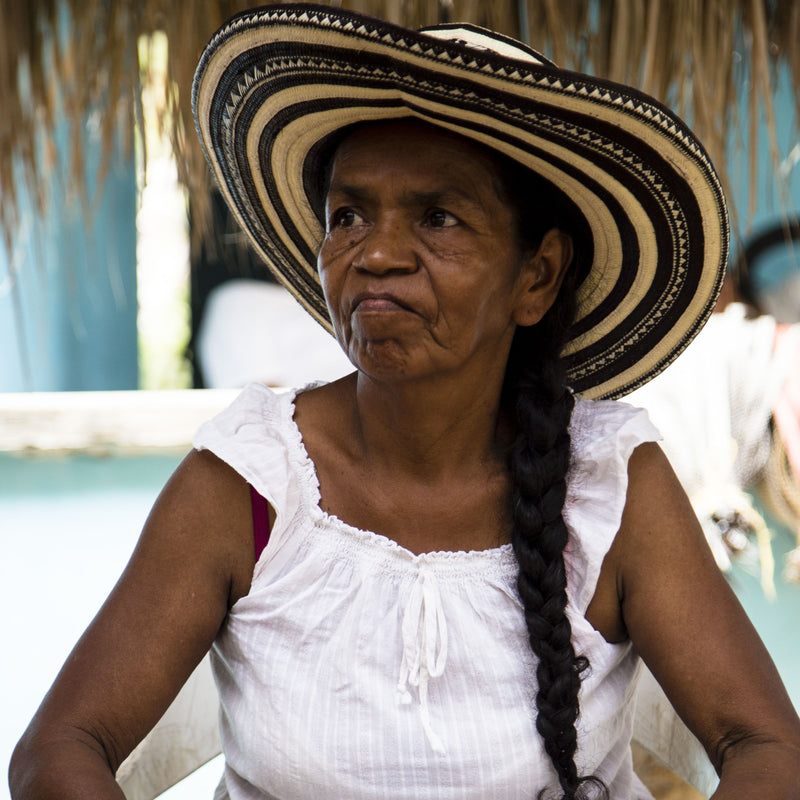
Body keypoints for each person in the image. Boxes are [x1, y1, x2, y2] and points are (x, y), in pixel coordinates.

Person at [10, 5, 800, 799]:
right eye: (348, 215)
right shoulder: (252, 481)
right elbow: (60, 750)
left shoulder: (609, 483)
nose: (377, 254)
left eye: (438, 217)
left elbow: (766, 745)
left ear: (539, 275)